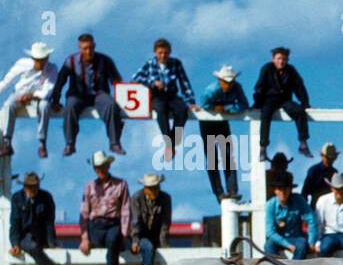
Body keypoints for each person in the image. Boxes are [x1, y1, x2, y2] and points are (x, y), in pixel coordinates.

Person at [51, 33, 125, 156]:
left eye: (90, 48)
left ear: (94, 46)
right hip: (78, 95)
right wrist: (55, 101)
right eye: (85, 48)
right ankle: (70, 144)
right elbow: (60, 82)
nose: (88, 51)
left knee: (111, 104)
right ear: (80, 48)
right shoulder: (70, 62)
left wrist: (124, 101)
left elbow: (116, 82)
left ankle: (114, 143)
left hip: (99, 94)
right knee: (70, 105)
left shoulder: (105, 61)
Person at [131, 38, 198, 160]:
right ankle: (168, 143)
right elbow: (136, 77)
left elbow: (184, 83)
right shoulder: (150, 63)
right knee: (161, 110)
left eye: (166, 53)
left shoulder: (176, 63)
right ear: (155, 53)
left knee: (182, 111)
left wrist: (191, 102)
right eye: (160, 53)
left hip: (172, 95)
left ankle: (172, 141)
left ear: (170, 53)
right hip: (157, 96)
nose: (163, 56)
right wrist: (153, 82)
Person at [9, 172, 69, 265]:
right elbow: (15, 223)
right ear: (25, 187)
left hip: (42, 236)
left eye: (36, 186)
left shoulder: (46, 198)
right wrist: (15, 243)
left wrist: (52, 243)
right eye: (31, 187)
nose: (34, 189)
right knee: (32, 247)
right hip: (25, 237)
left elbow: (49, 223)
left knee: (48, 253)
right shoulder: (17, 198)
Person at [198, 65, 248, 202]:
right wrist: (215, 108)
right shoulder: (211, 90)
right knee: (212, 159)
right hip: (207, 122)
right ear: (220, 81)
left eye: (231, 82)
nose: (229, 85)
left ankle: (232, 190)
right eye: (226, 82)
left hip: (223, 121)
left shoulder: (237, 87)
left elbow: (244, 104)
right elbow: (204, 103)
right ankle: (219, 192)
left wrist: (226, 109)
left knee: (228, 156)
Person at [78, 152, 130, 265]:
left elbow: (126, 210)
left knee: (113, 241)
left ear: (108, 166)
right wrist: (84, 238)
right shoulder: (89, 187)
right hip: (95, 226)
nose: (100, 170)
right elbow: (84, 214)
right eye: (97, 167)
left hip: (113, 224)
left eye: (103, 166)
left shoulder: (121, 184)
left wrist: (124, 235)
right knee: (98, 248)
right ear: (94, 169)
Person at [252, 46, 312, 161]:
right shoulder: (267, 69)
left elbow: (299, 87)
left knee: (299, 111)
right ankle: (263, 149)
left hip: (285, 99)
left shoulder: (291, 70)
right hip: (269, 99)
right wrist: (257, 104)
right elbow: (259, 88)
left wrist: (305, 103)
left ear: (287, 60)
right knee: (265, 115)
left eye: (284, 59)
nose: (281, 61)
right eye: (279, 58)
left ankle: (303, 144)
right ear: (273, 59)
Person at [0, 42, 58, 159]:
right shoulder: (22, 64)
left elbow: (47, 91)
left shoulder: (52, 69)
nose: (40, 63)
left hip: (39, 96)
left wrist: (31, 97)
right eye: (37, 60)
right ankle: (7, 142)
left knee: (44, 106)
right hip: (21, 92)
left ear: (47, 58)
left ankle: (42, 142)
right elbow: (7, 81)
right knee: (8, 105)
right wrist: (24, 96)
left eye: (42, 60)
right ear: (32, 58)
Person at [265, 171, 318, 260]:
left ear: (290, 189)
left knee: (302, 244)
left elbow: (311, 220)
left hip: (296, 238)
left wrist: (311, 243)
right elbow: (270, 232)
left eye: (285, 189)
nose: (283, 192)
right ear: (275, 191)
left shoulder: (298, 199)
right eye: (279, 189)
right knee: (268, 245)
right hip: (279, 239)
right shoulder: (270, 205)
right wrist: (288, 245)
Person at [130, 172, 171, 265]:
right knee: (148, 247)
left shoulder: (165, 198)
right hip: (142, 236)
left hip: (157, 237)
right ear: (145, 189)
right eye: (150, 188)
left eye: (156, 187)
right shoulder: (137, 198)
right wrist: (135, 241)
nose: (154, 191)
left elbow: (165, 223)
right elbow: (136, 221)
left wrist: (164, 244)